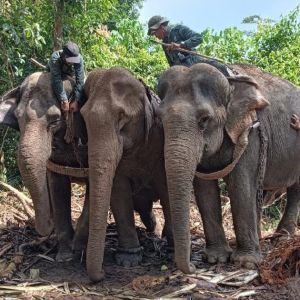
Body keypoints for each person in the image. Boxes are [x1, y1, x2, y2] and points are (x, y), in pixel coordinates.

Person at [147, 16, 229, 76]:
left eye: (154, 33)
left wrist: (181, 45)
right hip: (180, 71)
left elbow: (199, 38)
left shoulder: (179, 30)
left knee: (220, 67)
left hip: (195, 61)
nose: (155, 36)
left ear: (161, 27)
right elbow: (171, 63)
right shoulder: (164, 44)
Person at [46, 42, 84, 115]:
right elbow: (56, 79)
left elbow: (80, 79)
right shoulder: (55, 58)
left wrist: (76, 100)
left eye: (74, 60)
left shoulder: (79, 58)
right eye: (70, 60)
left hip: (69, 73)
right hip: (55, 72)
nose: (72, 63)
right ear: (64, 55)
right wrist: (64, 99)